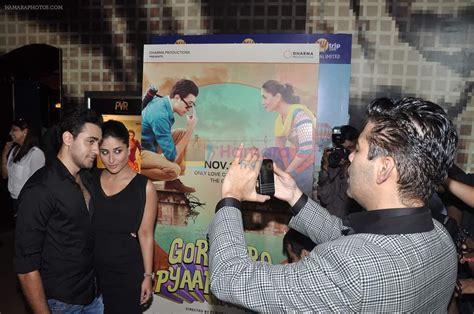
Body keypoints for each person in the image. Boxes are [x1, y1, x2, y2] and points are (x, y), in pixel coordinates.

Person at [208, 97, 458, 312]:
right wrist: (295, 197)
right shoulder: (440, 236)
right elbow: (347, 237)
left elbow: (230, 278)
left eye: (358, 150)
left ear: (384, 168)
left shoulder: (351, 269)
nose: (349, 157)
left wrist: (230, 197)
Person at [14, 108, 104, 313]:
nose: (96, 150)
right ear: (68, 138)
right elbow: (26, 267)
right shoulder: (40, 189)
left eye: (98, 143)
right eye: (90, 141)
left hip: (93, 294)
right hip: (61, 302)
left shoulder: (88, 178)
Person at [92, 120, 157, 313]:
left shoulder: (144, 187)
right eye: (105, 152)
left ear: (129, 149)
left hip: (127, 273)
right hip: (91, 273)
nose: (111, 159)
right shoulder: (90, 179)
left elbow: (145, 234)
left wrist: (147, 275)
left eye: (117, 151)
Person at [141, 79, 199, 193]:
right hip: (138, 153)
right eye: (189, 104)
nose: (189, 109)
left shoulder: (163, 102)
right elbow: (172, 156)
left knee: (181, 133)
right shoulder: (160, 115)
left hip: (150, 145)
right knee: (173, 170)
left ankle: (172, 181)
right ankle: (134, 174)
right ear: (177, 97)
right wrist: (190, 129)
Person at [261, 80, 316, 196]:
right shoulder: (279, 120)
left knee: (302, 205)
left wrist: (287, 173)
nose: (262, 102)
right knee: (266, 153)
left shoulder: (299, 114)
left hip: (309, 163)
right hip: (296, 161)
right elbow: (278, 151)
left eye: (265, 97)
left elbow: (306, 150)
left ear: (277, 97)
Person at [1, 118, 45, 218]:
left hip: (27, 202)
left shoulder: (35, 153)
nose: (10, 133)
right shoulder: (14, 150)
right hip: (15, 200)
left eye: (14, 130)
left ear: (25, 132)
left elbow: (37, 184)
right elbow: (4, 175)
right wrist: (4, 154)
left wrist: (28, 205)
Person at [317, 125, 362, 219]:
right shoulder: (334, 163)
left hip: (350, 224)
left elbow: (349, 201)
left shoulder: (362, 167)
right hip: (330, 221)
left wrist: (347, 172)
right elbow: (325, 199)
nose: (345, 153)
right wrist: (325, 168)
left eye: (349, 148)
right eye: (341, 149)